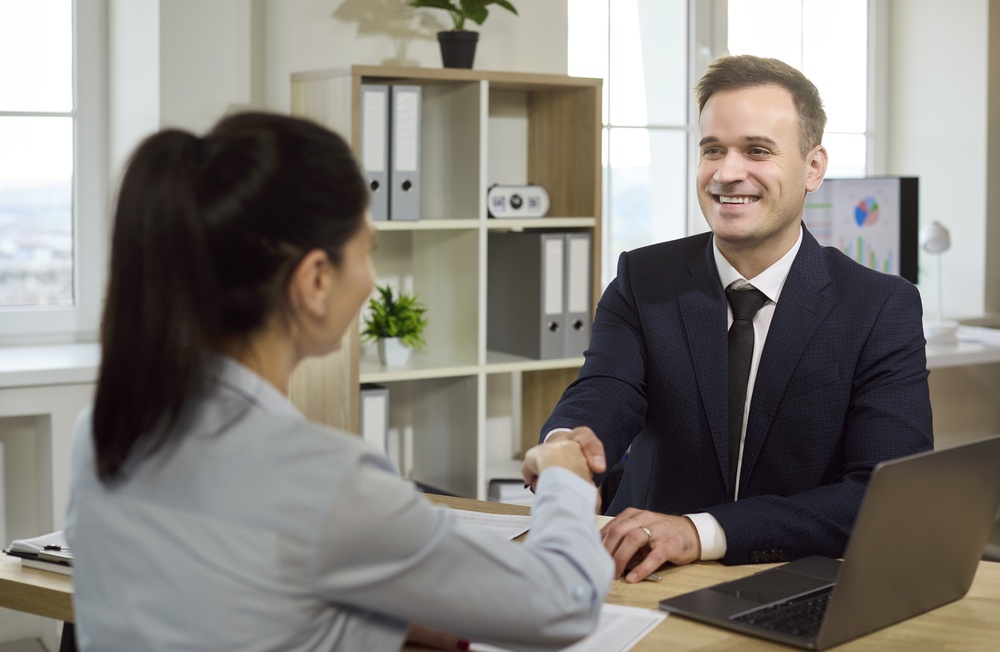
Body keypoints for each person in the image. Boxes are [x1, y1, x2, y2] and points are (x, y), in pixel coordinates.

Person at [64, 112, 613, 651]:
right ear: (315, 280)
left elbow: (224, 599)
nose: (371, 280)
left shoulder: (103, 432)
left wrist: (382, 619)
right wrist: (564, 477)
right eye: (367, 252)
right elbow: (563, 602)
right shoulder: (321, 479)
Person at [540, 55, 933, 582]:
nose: (726, 173)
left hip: (796, 580)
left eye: (757, 151)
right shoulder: (643, 278)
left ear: (813, 168)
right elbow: (607, 389)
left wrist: (699, 531)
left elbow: (882, 492)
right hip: (643, 574)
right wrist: (567, 444)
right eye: (712, 150)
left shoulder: (879, 306)